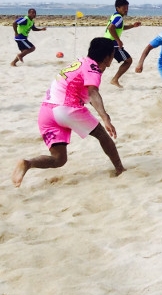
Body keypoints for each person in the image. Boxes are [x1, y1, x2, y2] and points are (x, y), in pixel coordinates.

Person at [12, 37, 126, 187]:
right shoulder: (93, 68)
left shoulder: (81, 61)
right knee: (102, 135)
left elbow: (84, 92)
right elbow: (92, 93)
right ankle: (120, 169)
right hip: (66, 108)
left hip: (46, 111)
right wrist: (105, 118)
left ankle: (27, 163)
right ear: (107, 57)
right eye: (113, 53)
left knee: (59, 159)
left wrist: (103, 113)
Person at [104, 0, 141, 87]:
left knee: (102, 63)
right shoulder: (119, 18)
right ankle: (115, 79)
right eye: (124, 7)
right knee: (128, 61)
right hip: (112, 44)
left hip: (105, 42)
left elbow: (120, 28)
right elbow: (111, 28)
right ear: (118, 8)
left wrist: (132, 26)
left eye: (127, 7)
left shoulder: (115, 16)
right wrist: (118, 40)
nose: (126, 9)